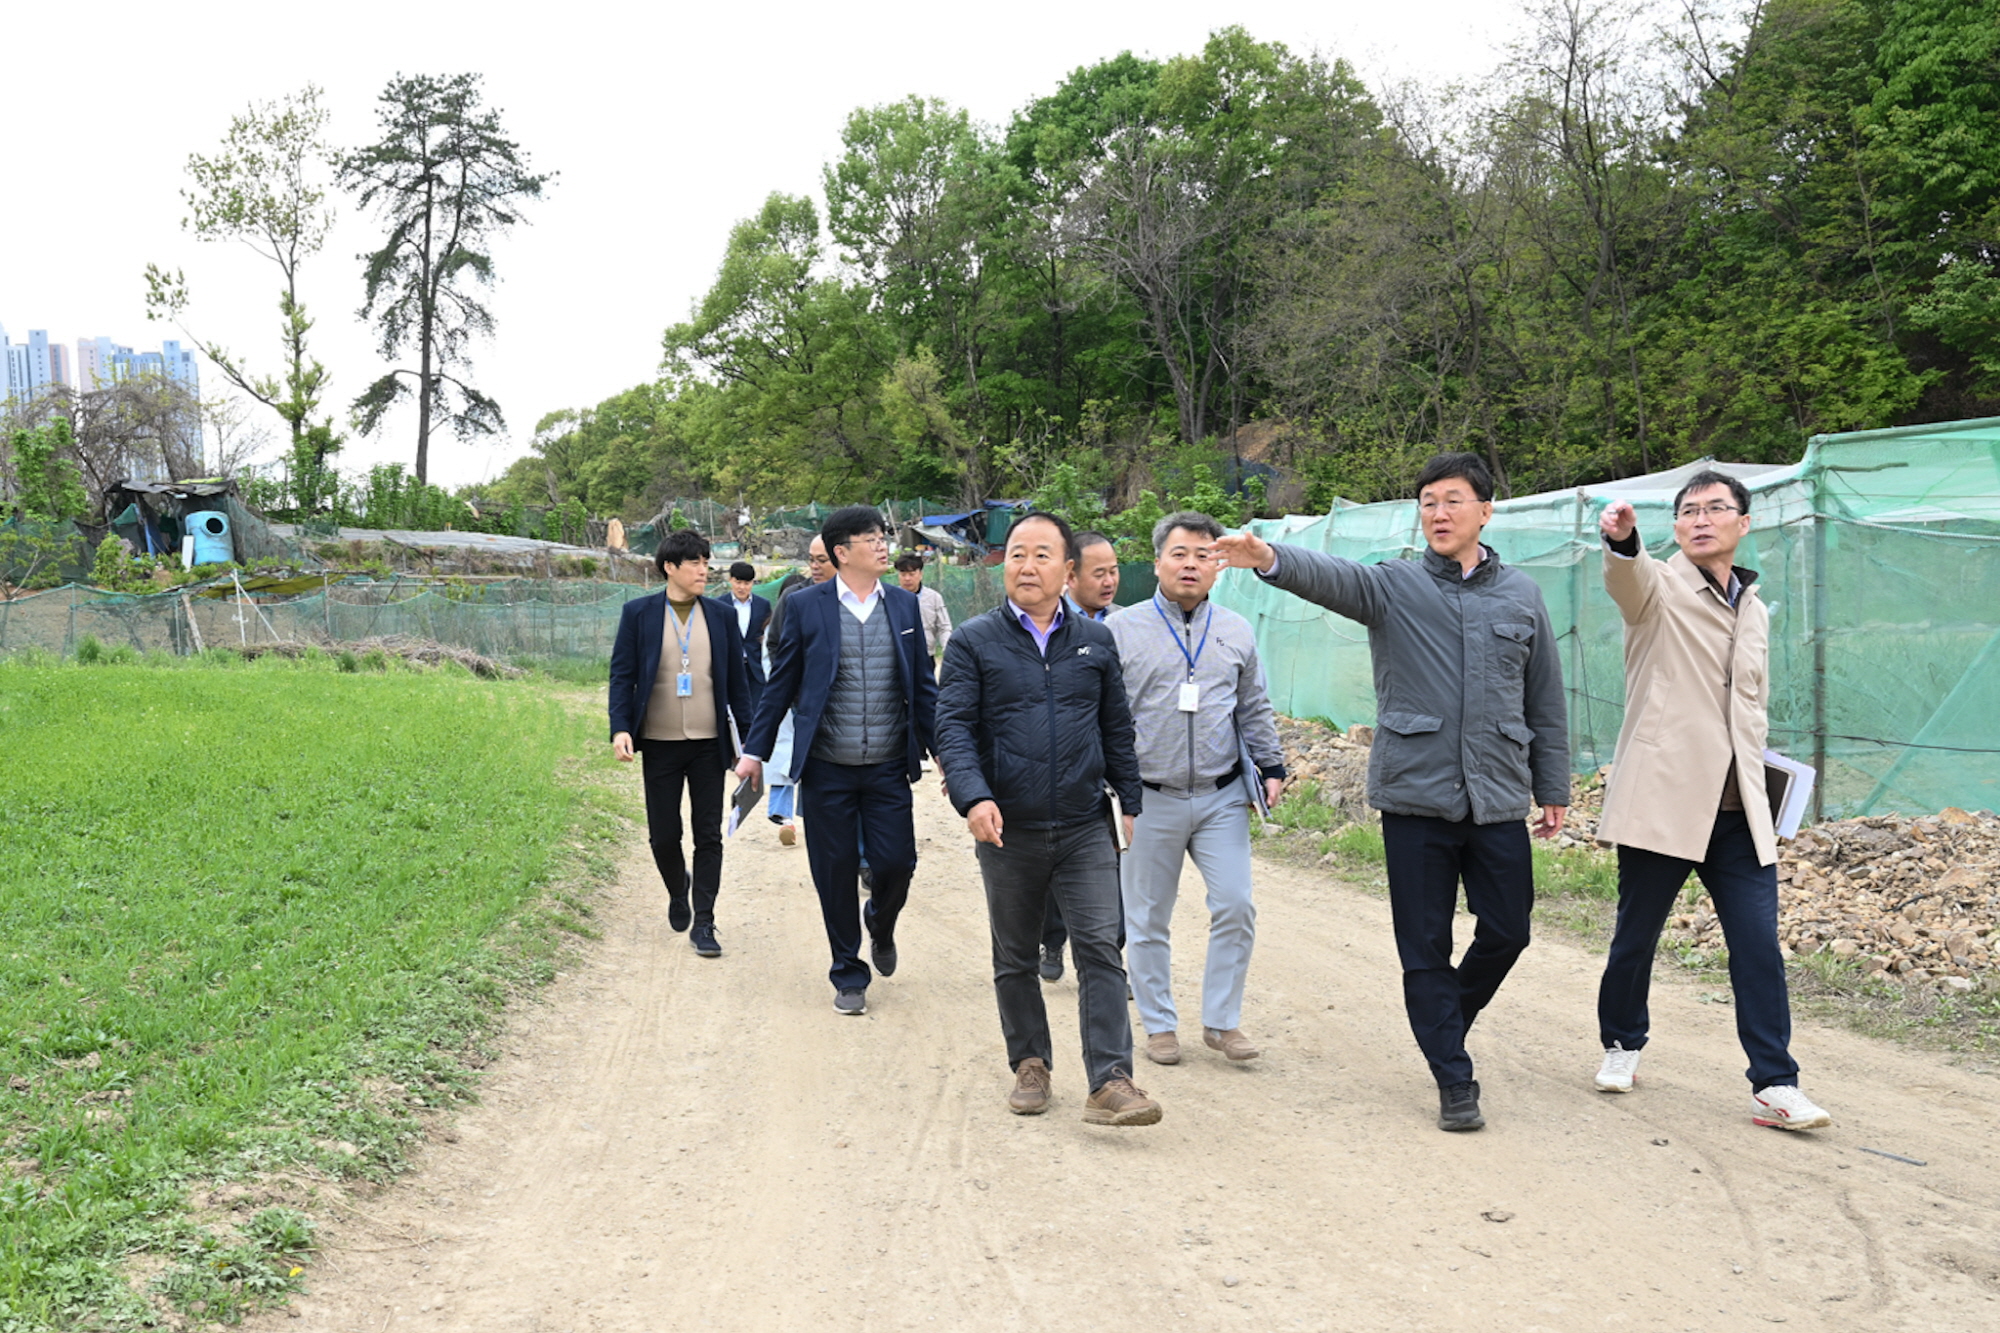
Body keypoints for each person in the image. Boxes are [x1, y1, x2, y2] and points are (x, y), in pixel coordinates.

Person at [1215, 453, 1569, 1132]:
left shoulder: (1521, 595)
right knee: (1424, 945)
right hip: (1415, 796)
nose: (1439, 512)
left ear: (1486, 510)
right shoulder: (1395, 584)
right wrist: (1268, 557)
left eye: (1453, 500)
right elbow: (1332, 577)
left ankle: (1442, 1021)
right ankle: (1454, 1078)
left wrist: (1551, 784)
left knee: (1509, 929)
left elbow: (1544, 697)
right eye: (1428, 501)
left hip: (1496, 793)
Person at [1592, 476, 1831, 1130]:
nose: (1701, 519)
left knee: (1758, 947)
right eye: (1689, 511)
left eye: (1716, 508)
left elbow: (1751, 705)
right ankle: (1622, 1043)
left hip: (1739, 814)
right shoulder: (1659, 586)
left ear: (1743, 523)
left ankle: (1775, 1082)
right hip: (1664, 802)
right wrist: (1622, 541)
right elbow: (1628, 579)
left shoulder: (1753, 606)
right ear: (1674, 527)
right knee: (1636, 937)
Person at [934, 512, 1161, 1125]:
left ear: (1067, 570)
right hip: (1008, 827)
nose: (1027, 566)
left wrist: (1130, 799)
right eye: (1016, 554)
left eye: (1041, 555)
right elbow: (952, 727)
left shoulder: (1095, 641)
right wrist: (973, 797)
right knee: (1015, 955)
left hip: (1086, 823)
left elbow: (1115, 725)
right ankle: (1030, 1063)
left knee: (1100, 949)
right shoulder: (974, 641)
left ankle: (1110, 1080)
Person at [737, 507, 937, 1016]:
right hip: (827, 767)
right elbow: (781, 683)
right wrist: (755, 751)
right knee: (834, 870)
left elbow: (923, 688)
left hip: (888, 764)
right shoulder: (807, 607)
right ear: (842, 552)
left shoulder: (904, 606)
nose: (883, 545)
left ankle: (881, 924)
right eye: (871, 539)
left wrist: (948, 756)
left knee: (896, 863)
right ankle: (848, 971)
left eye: (883, 536)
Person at [1109, 511, 1287, 1073]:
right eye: (1179, 553)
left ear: (1219, 564)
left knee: (1236, 904)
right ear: (1157, 562)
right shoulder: (1120, 630)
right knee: (1146, 918)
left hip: (1220, 794)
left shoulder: (1236, 629)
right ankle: (1160, 1025)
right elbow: (1101, 714)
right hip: (1147, 797)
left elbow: (1253, 705)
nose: (1191, 564)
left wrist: (1271, 764)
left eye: (1203, 555)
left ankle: (1222, 1021)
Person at [608, 529, 755, 958]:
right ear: (670, 567)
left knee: (708, 835)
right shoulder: (638, 614)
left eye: (706, 563)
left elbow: (738, 684)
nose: (703, 571)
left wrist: (749, 745)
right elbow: (622, 676)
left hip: (709, 744)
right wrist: (620, 728)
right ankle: (678, 889)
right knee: (663, 836)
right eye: (694, 563)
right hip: (660, 742)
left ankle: (704, 921)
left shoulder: (721, 616)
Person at [1040, 530, 1124, 982]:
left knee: (1111, 865)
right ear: (1070, 575)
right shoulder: (1045, 624)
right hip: (1059, 769)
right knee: (1056, 862)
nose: (1109, 581)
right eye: (1099, 573)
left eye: (1114, 571)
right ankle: (1051, 938)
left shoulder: (1126, 625)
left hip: (1110, 764)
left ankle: (1109, 959)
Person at [762, 538, 833, 846]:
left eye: (821, 560)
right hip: (791, 699)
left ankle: (799, 814)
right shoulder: (792, 604)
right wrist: (792, 689)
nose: (814, 566)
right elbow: (774, 649)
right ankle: (784, 815)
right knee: (785, 754)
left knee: (805, 757)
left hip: (819, 702)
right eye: (811, 560)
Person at [896, 552, 953, 671]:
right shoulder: (891, 598)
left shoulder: (934, 597)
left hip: (926, 656)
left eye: (912, 574)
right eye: (903, 574)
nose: (907, 578)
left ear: (920, 574)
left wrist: (947, 650)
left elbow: (944, 627)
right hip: (899, 658)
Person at [727, 560, 771, 712]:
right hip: (731, 667)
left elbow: (766, 635)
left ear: (753, 583)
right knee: (733, 711)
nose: (742, 587)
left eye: (747, 583)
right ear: (730, 580)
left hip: (756, 667)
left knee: (757, 711)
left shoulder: (763, 605)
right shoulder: (720, 605)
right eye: (738, 582)